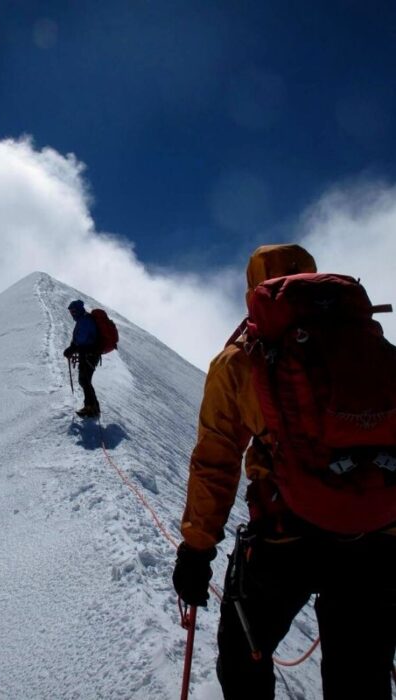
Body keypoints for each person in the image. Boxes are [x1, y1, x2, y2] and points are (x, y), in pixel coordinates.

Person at [172, 244, 396, 699]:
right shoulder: (369, 347)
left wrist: (197, 550)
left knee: (243, 652)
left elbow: (216, 459)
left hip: (284, 535)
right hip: (375, 536)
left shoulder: (240, 359)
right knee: (362, 676)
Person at [64, 299, 101, 418]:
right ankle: (92, 407)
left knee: (84, 380)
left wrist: (72, 348)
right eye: (71, 312)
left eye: (73, 311)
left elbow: (82, 340)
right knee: (85, 380)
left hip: (89, 355)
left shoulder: (85, 320)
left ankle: (91, 408)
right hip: (88, 355)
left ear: (79, 310)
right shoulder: (83, 320)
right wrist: (73, 347)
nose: (72, 314)